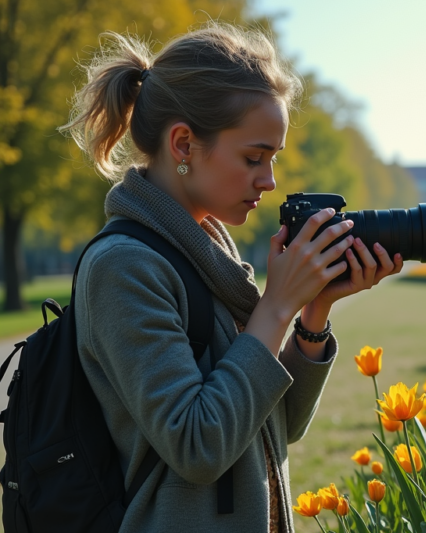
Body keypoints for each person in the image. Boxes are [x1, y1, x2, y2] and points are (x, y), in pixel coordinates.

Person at [58, 21, 403, 532]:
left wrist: (312, 316)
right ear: (183, 144)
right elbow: (199, 447)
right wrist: (276, 307)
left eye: (273, 159)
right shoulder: (124, 267)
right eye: (253, 158)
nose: (269, 180)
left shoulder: (208, 249)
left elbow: (270, 426)